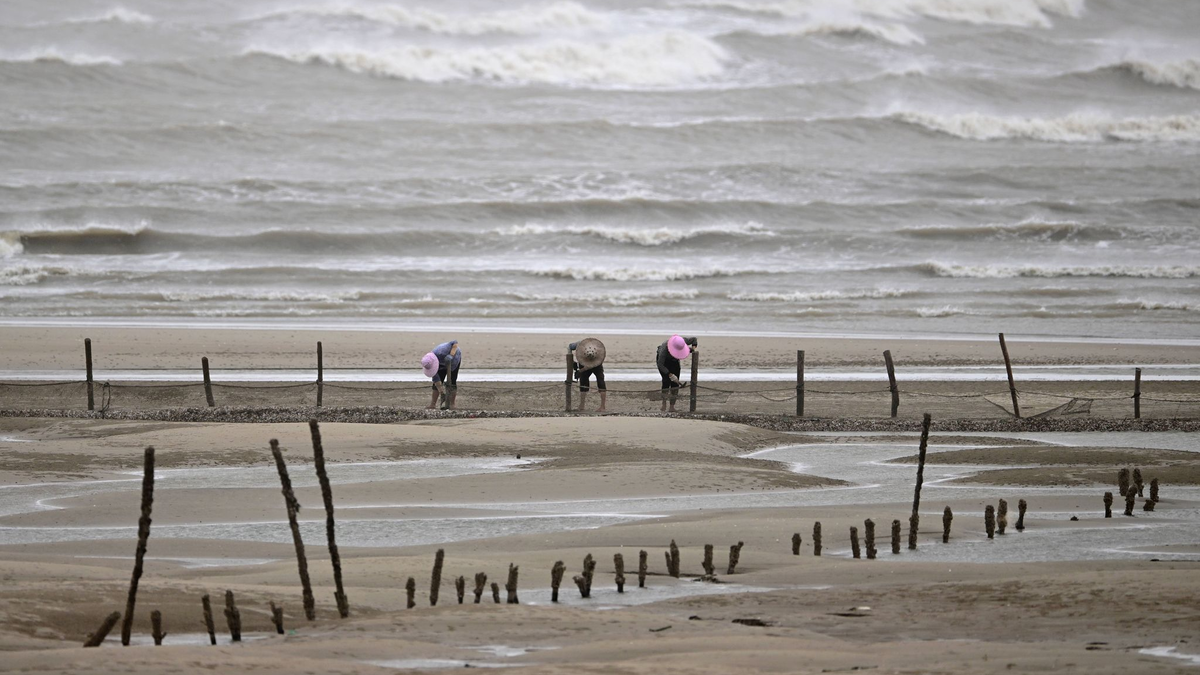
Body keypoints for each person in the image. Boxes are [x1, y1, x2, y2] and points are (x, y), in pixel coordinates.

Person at [656, 334, 697, 412]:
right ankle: (664, 403)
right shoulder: (664, 349)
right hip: (664, 362)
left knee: (675, 384)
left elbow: (694, 339)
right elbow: (660, 364)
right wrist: (669, 374)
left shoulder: (682, 341)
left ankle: (672, 406)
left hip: (674, 361)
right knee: (666, 381)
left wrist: (693, 349)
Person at [569, 338, 607, 413]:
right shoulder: (578, 345)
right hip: (583, 362)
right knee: (583, 383)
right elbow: (569, 347)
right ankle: (582, 405)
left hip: (597, 364)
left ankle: (603, 406)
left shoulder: (599, 351)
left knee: (601, 382)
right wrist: (572, 361)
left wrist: (580, 371)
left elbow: (590, 366)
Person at [422, 340, 461, 410]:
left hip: (454, 357)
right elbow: (436, 378)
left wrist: (451, 355)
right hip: (441, 363)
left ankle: (452, 404)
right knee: (437, 381)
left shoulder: (441, 350)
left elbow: (455, 342)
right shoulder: (429, 363)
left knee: (452, 381)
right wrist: (441, 391)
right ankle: (432, 404)